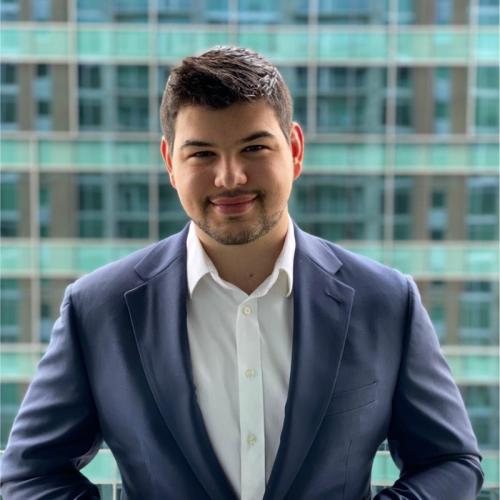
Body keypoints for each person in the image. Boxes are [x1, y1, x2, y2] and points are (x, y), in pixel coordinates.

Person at [1, 46, 483, 500]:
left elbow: (451, 461)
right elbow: (29, 474)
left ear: (294, 149)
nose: (230, 177)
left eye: (254, 148)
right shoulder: (97, 310)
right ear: (170, 162)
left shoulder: (386, 301)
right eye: (202, 154)